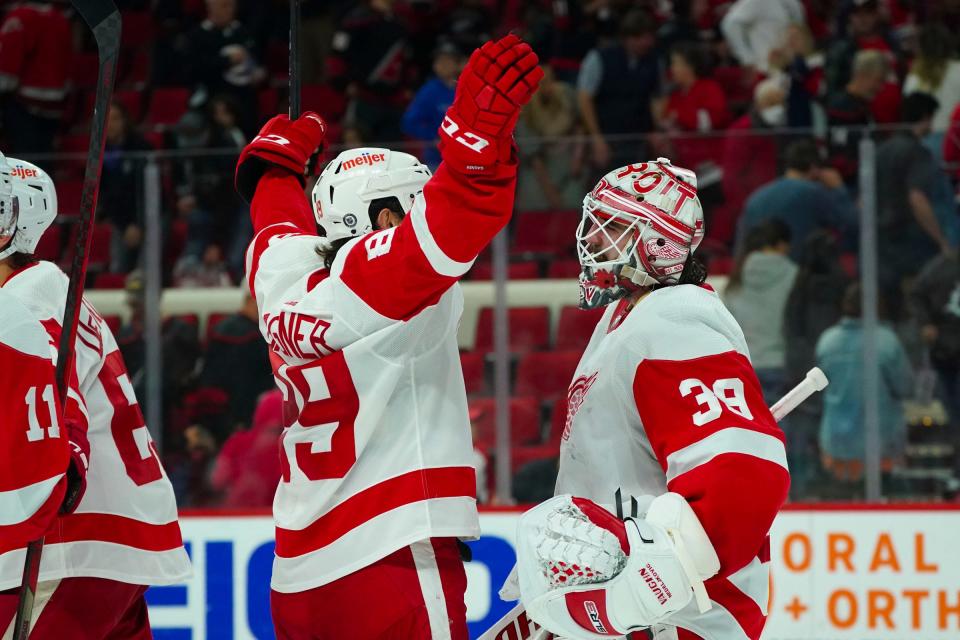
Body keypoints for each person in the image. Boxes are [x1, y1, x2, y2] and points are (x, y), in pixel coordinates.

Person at [233, 35, 542, 638]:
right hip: (390, 554)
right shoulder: (389, 279)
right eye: (412, 200)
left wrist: (275, 168)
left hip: (299, 574)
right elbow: (450, 225)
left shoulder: (284, 274)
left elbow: (275, 223)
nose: (421, 207)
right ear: (383, 218)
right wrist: (477, 149)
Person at [508, 158, 789, 640]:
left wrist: (647, 587)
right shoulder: (623, 320)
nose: (592, 238)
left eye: (612, 226)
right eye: (595, 223)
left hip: (673, 618)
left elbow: (742, 473)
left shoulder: (675, 319)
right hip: (633, 613)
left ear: (659, 245)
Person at [0, 156, 191, 635]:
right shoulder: (54, 291)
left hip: (68, 544)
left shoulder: (24, 298)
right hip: (111, 541)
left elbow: (54, 385)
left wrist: (67, 460)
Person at [816, 283, 912, 494]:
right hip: (881, 443)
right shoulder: (887, 342)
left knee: (841, 505)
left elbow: (817, 389)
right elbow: (906, 387)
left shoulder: (828, 341)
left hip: (837, 442)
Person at [876, 92, 955, 309]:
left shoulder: (881, 150)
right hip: (911, 242)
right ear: (925, 117)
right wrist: (941, 240)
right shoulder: (917, 153)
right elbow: (917, 198)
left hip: (882, 241)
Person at [739, 138, 857, 260]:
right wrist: (839, 189)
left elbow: (741, 247)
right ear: (814, 168)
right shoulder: (815, 193)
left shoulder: (756, 197)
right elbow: (853, 223)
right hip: (800, 273)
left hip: (759, 272)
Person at [724, 219, 798, 404]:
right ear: (782, 245)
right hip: (780, 362)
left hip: (744, 365)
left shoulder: (735, 279)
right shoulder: (795, 275)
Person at [576, 10, 660, 173]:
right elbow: (584, 98)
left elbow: (657, 97)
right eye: (644, 37)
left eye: (650, 37)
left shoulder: (654, 61)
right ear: (629, 38)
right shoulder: (599, 58)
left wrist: (654, 129)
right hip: (607, 139)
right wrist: (596, 138)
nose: (648, 42)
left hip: (638, 141)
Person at [0, 1, 72, 157]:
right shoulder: (61, 19)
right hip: (55, 105)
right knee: (43, 161)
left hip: (24, 104)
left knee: (24, 162)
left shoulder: (20, 17)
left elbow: (8, 63)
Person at [401, 41, 464, 169]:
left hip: (467, 156)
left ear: (458, 64)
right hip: (437, 159)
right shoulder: (429, 91)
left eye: (448, 61)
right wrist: (434, 137)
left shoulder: (467, 87)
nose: (443, 65)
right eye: (439, 61)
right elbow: (409, 122)